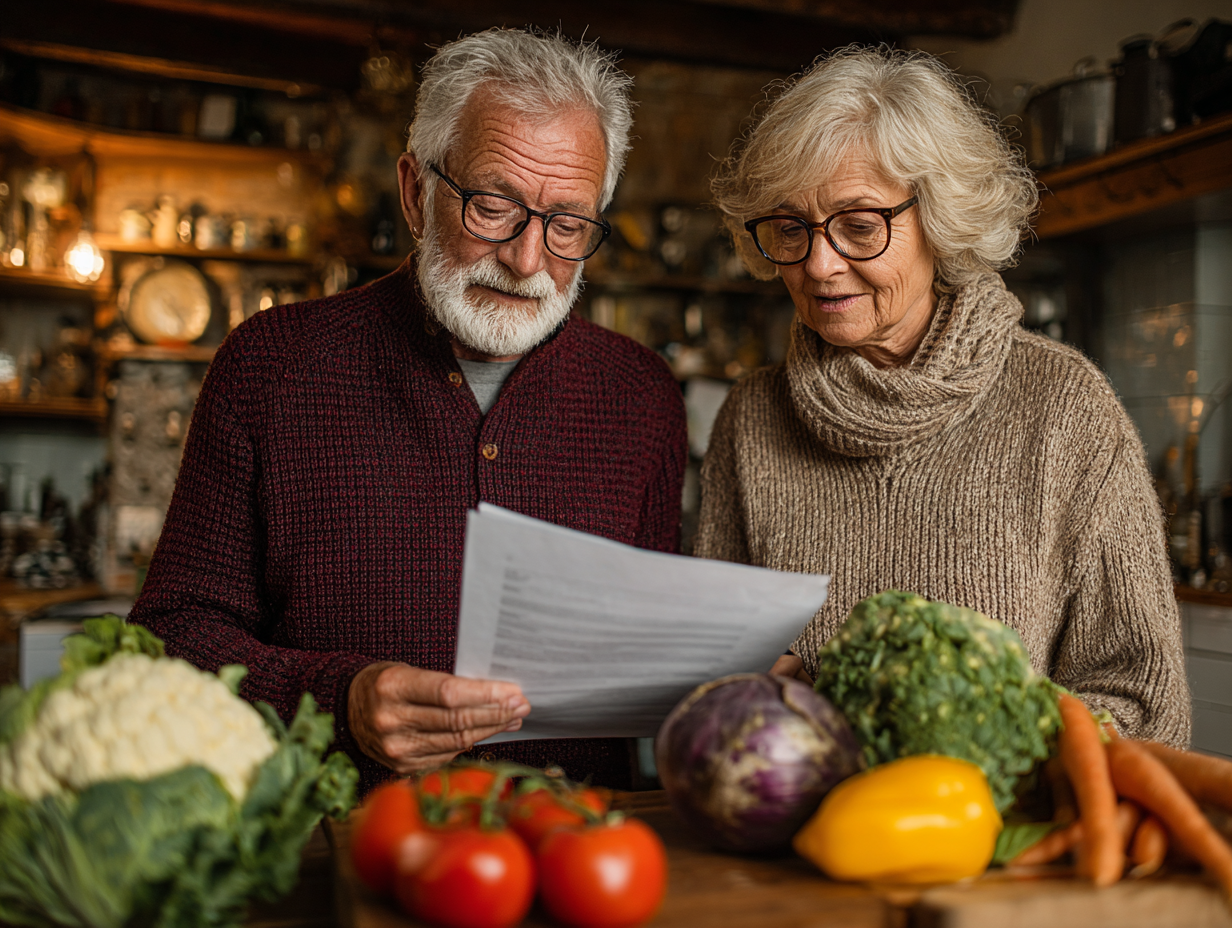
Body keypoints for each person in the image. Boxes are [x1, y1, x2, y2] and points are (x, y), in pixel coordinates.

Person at [130, 28, 688, 791]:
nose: (529, 262)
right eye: (494, 206)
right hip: (335, 853)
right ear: (416, 192)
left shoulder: (643, 395)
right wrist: (340, 700)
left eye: (568, 224)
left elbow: (644, 656)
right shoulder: (269, 367)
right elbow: (167, 638)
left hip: (577, 862)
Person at [697, 46, 1189, 745]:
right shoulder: (751, 417)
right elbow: (714, 687)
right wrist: (745, 689)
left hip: (1001, 839)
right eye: (790, 229)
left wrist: (976, 748)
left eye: (860, 226)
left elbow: (1143, 698)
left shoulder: (1062, 405)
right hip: (796, 838)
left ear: (941, 218)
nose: (819, 264)